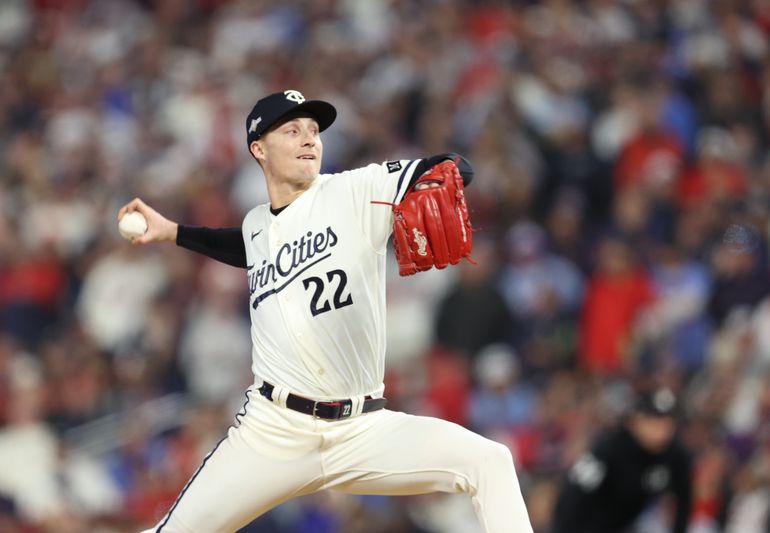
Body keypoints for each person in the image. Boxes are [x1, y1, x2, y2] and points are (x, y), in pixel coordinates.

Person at [120, 90, 533, 533]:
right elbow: (244, 246)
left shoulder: (355, 190)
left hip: (363, 430)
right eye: (292, 130)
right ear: (259, 148)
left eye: (314, 131)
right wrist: (174, 232)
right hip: (273, 432)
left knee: (489, 461)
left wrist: (437, 178)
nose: (309, 140)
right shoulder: (258, 224)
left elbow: (450, 165)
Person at [551, 386, 692, 533]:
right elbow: (571, 496)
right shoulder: (609, 451)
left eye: (667, 421)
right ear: (635, 421)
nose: (661, 429)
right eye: (653, 419)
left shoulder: (675, 456)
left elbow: (683, 502)